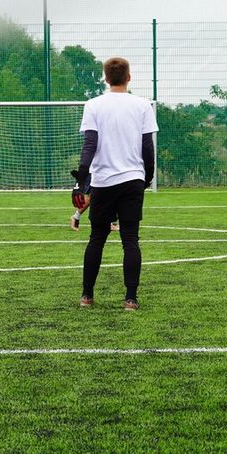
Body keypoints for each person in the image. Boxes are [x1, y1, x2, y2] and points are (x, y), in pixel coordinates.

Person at [76, 57, 158, 311]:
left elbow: (90, 143)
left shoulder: (93, 105)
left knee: (96, 239)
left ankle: (87, 296)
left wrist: (82, 175)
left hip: (104, 181)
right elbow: (147, 145)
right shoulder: (142, 105)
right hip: (132, 178)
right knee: (130, 239)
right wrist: (148, 175)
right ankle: (130, 299)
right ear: (129, 77)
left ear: (106, 78)